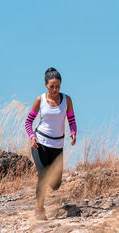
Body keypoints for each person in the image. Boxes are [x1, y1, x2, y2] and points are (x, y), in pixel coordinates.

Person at [24, 67, 77, 220]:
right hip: (40, 143)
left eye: (57, 86)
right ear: (46, 85)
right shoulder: (40, 100)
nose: (55, 89)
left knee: (55, 184)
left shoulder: (66, 100)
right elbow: (28, 122)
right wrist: (32, 137)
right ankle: (40, 209)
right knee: (43, 175)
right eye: (51, 86)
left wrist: (73, 133)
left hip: (57, 146)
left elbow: (72, 121)